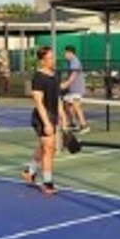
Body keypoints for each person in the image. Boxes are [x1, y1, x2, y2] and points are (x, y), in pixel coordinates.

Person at [21, 45, 66, 195]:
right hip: (41, 117)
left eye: (54, 57)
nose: (53, 60)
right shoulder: (38, 77)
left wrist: (62, 114)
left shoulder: (55, 75)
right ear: (42, 61)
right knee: (49, 149)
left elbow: (57, 96)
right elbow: (38, 102)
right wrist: (46, 123)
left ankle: (29, 171)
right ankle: (47, 183)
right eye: (50, 58)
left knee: (43, 146)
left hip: (53, 116)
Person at [60, 45, 90, 134]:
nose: (64, 55)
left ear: (70, 53)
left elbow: (74, 75)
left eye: (66, 53)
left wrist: (66, 83)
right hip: (71, 89)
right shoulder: (70, 62)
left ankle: (84, 126)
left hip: (77, 89)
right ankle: (73, 123)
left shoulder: (75, 61)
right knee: (67, 105)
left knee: (76, 106)